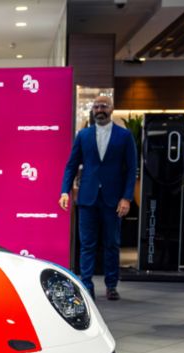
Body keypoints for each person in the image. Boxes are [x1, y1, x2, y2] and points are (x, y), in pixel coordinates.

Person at [59, 95, 137, 301]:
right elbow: (71, 165)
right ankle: (86, 284)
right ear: (92, 110)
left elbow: (131, 170)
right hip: (87, 198)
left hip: (113, 199)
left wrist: (126, 198)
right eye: (96, 107)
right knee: (87, 244)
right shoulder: (83, 135)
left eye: (104, 106)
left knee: (112, 243)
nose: (99, 109)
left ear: (112, 109)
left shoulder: (124, 136)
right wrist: (64, 191)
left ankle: (111, 285)